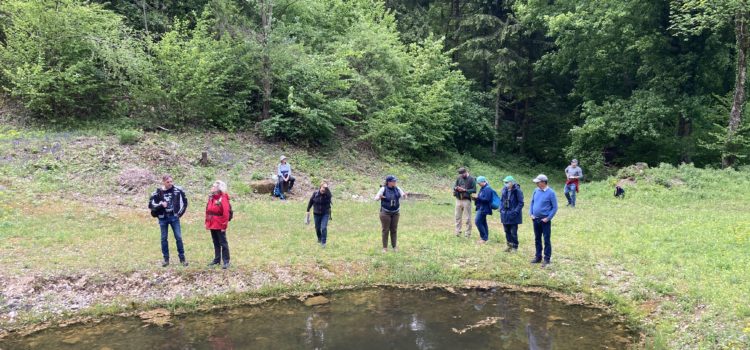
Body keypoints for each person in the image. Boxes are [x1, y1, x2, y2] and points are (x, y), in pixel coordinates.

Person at [148, 175, 189, 267]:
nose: (170, 183)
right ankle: (166, 259)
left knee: (178, 237)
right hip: (163, 218)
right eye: (168, 182)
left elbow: (184, 203)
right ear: (163, 182)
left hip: (174, 217)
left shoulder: (178, 191)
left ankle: (182, 259)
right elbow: (151, 205)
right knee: (163, 238)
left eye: (171, 181)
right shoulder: (157, 192)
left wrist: (179, 214)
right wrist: (160, 205)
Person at [529, 174, 558, 267]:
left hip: (545, 221)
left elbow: (555, 207)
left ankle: (547, 259)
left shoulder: (551, 193)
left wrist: (548, 218)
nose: (536, 184)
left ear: (543, 182)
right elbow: (532, 202)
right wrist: (531, 213)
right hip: (535, 219)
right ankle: (538, 257)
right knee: (537, 239)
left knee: (546, 239)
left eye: (538, 182)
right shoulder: (536, 190)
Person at [374, 175, 407, 253]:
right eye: (393, 181)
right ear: (389, 182)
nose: (395, 182)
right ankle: (384, 248)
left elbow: (403, 196)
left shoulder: (397, 188)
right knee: (385, 230)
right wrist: (380, 197)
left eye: (395, 181)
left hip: (396, 212)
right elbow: (375, 199)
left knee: (394, 230)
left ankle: (394, 247)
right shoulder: (383, 189)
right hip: (385, 213)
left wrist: (405, 195)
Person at [205, 180, 231, 269]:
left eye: (214, 186)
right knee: (215, 242)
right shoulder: (211, 197)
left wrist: (224, 225)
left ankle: (226, 261)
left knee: (223, 242)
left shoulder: (223, 198)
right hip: (212, 223)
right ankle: (217, 260)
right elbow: (208, 210)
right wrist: (207, 221)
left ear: (218, 188)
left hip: (220, 223)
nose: (212, 187)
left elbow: (226, 213)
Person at [499, 175, 524, 252]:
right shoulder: (504, 190)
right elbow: (502, 200)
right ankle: (509, 245)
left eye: (507, 182)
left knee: (513, 232)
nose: (505, 184)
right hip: (505, 213)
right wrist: (501, 208)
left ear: (512, 182)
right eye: (504, 182)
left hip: (513, 214)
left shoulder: (517, 190)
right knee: (506, 231)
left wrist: (515, 212)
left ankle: (515, 247)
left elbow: (521, 203)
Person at [307, 181, 333, 248]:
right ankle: (319, 238)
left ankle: (323, 242)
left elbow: (330, 195)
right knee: (317, 228)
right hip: (316, 213)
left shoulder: (327, 195)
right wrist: (308, 210)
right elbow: (311, 202)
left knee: (323, 227)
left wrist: (327, 188)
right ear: (320, 187)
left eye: (326, 188)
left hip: (325, 213)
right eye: (323, 187)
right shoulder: (315, 194)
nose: (324, 189)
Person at [453, 167, 476, 237]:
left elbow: (474, 190)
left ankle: (468, 233)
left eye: (463, 174)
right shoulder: (459, 178)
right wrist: (456, 188)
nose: (461, 175)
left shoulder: (472, 179)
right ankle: (458, 231)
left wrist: (465, 190)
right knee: (457, 216)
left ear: (466, 172)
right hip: (458, 199)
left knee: (467, 218)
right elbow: (454, 186)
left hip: (466, 200)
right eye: (460, 174)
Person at [474, 176, 495, 244]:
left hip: (484, 208)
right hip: (480, 207)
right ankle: (485, 238)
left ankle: (484, 238)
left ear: (483, 181)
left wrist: (478, 197)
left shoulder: (487, 189)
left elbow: (487, 199)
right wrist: (475, 198)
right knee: (483, 222)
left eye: (479, 183)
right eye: (478, 183)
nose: (478, 184)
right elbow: (481, 198)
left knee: (477, 222)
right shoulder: (483, 188)